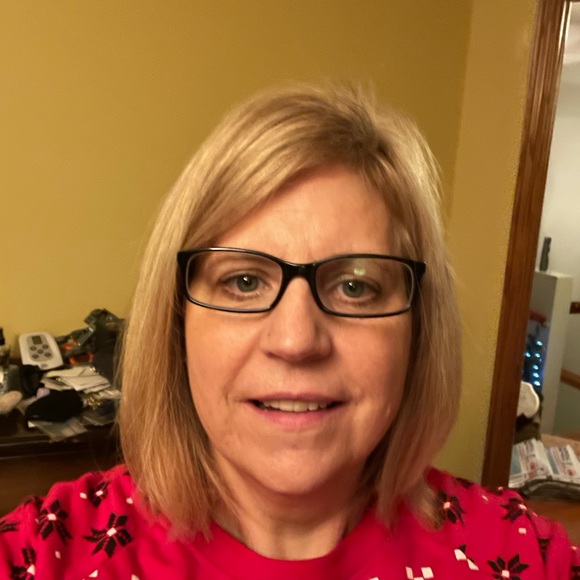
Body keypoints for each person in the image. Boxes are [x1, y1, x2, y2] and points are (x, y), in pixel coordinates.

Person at [0, 84, 577, 579]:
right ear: (176, 323)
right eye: (244, 281)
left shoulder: (527, 559)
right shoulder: (44, 555)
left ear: (418, 332)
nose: (296, 341)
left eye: (356, 286)